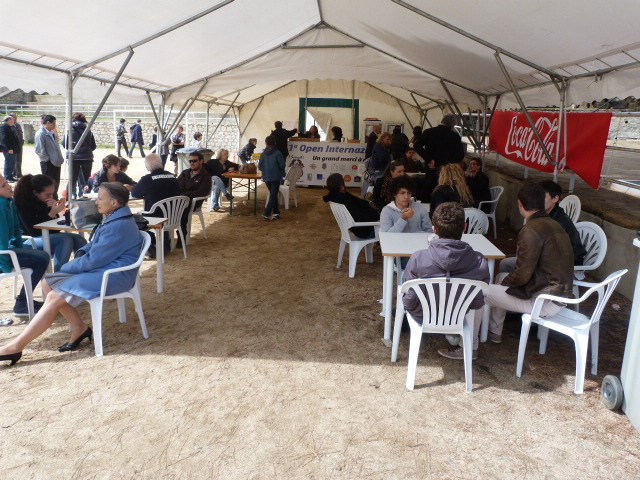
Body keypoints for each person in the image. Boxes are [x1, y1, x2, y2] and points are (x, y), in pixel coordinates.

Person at [0, 182, 144, 364]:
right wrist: (79, 256)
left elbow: (94, 260)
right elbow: (93, 249)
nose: (96, 202)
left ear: (114, 203)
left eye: (100, 198)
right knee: (48, 283)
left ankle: (15, 347)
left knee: (54, 296)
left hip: (114, 276)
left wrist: (67, 267)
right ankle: (80, 327)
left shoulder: (118, 225)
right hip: (103, 270)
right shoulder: (115, 218)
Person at [484, 183, 574, 344]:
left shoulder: (531, 229)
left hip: (544, 300)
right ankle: (494, 331)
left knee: (479, 291)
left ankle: (468, 345)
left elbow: (522, 273)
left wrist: (505, 283)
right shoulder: (555, 224)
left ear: (520, 204)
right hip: (559, 295)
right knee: (502, 275)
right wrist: (505, 280)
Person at [402, 202, 490, 360]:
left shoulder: (418, 258)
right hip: (460, 315)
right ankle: (467, 342)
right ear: (465, 227)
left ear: (434, 229)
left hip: (424, 315)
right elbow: (478, 301)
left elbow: (409, 297)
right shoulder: (478, 261)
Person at [0, 174, 50, 318]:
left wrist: (19, 252)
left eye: (6, 182)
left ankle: (25, 300)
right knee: (41, 259)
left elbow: (16, 231)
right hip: (2, 255)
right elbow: (2, 239)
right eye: (3, 186)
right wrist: (7, 266)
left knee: (42, 256)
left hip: (6, 251)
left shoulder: (9, 201)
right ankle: (22, 303)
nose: (9, 186)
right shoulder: (1, 205)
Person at [14, 174, 87, 272]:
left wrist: (53, 211)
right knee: (64, 239)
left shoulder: (44, 201)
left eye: (53, 193)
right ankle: (59, 275)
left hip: (44, 237)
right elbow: (33, 231)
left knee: (79, 239)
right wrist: (51, 213)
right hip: (27, 240)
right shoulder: (23, 204)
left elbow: (54, 229)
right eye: (48, 194)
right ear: (35, 193)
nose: (51, 197)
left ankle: (80, 271)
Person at [131, 153, 181, 258]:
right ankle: (165, 244)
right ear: (161, 163)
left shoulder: (147, 179)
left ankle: (150, 245)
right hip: (173, 216)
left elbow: (135, 193)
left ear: (147, 167)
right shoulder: (172, 177)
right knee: (159, 212)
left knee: (138, 219)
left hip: (155, 218)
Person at [323, 173, 379, 239]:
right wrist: (377, 219)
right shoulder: (345, 200)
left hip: (360, 229)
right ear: (342, 187)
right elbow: (360, 216)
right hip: (367, 231)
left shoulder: (335, 198)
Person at [177, 151, 212, 242]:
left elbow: (203, 192)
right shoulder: (185, 173)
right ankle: (165, 237)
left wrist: (185, 195)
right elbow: (176, 185)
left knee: (183, 207)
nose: (192, 163)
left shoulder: (205, 176)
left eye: (195, 161)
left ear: (201, 161)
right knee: (166, 205)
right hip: (180, 199)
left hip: (194, 202)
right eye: (190, 161)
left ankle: (182, 235)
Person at [63, 112, 97, 199]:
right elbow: (93, 146)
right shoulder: (88, 130)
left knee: (72, 179)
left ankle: (67, 198)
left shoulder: (69, 130)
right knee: (87, 179)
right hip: (87, 158)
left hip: (73, 158)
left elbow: (65, 145)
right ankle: (86, 197)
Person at [34, 114, 65, 193]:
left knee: (56, 183)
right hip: (48, 163)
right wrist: (48, 160)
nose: (55, 125)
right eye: (53, 123)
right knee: (48, 184)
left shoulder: (52, 133)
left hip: (56, 162)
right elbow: (39, 150)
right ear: (48, 122)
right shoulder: (40, 134)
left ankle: (54, 197)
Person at [259, 135, 285, 221]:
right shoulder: (278, 153)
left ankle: (276, 212)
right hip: (276, 177)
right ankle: (267, 214)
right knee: (273, 195)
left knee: (273, 194)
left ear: (266, 143)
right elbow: (282, 165)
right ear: (275, 143)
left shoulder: (263, 154)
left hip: (266, 177)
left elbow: (260, 166)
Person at [0, 115, 19, 182]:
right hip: (8, 149)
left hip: (13, 149)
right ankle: (7, 177)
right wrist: (9, 148)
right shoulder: (4, 127)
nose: (13, 121)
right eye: (12, 120)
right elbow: (4, 139)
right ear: (9, 120)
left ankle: (11, 176)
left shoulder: (9, 126)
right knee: (9, 163)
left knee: (12, 163)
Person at [9, 113, 24, 180]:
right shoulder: (9, 126)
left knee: (19, 161)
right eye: (14, 117)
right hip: (13, 147)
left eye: (16, 117)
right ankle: (15, 174)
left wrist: (22, 142)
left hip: (19, 145)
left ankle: (19, 173)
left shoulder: (17, 125)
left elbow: (20, 135)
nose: (15, 118)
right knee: (14, 161)